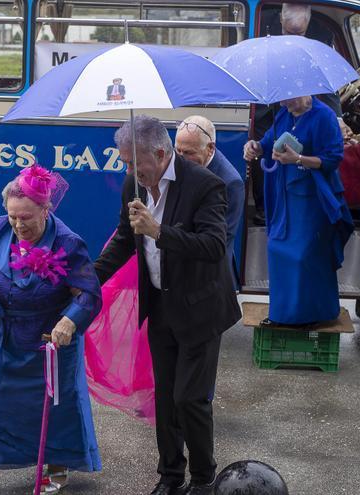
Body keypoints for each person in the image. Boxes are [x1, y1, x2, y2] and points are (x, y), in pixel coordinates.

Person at [95, 115, 241, 495]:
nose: (128, 170)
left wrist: (158, 231)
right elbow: (125, 240)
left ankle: (204, 476)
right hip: (160, 305)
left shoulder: (207, 185)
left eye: (133, 162)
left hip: (201, 307)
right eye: (124, 162)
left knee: (189, 398)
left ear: (161, 154)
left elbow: (214, 247)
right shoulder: (135, 184)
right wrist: (87, 280)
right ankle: (170, 476)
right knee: (165, 399)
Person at [0, 164, 101, 494]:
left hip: (49, 338)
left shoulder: (67, 242)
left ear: (46, 209)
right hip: (6, 334)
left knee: (54, 406)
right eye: (13, 216)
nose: (19, 225)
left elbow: (89, 294)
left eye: (27, 218)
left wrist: (69, 321)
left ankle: (55, 463)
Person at [243, 95, 352, 326]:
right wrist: (255, 147)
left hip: (312, 199)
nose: (284, 104)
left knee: (304, 255)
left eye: (288, 99)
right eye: (281, 100)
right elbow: (268, 142)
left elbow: (333, 159)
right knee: (276, 248)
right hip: (284, 196)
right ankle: (283, 316)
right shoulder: (284, 113)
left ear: (305, 92)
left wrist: (299, 158)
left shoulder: (324, 116)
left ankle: (314, 315)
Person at [249, 3, 352, 226]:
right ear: (280, 21)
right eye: (288, 32)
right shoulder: (261, 22)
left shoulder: (321, 33)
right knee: (265, 149)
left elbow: (325, 77)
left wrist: (338, 116)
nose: (293, 38)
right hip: (264, 102)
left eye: (300, 34)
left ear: (308, 23)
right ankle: (264, 208)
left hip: (299, 104)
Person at [175, 115, 245, 289]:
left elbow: (218, 241)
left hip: (210, 279)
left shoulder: (230, 183)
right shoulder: (179, 165)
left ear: (210, 148)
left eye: (189, 153)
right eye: (178, 151)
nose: (181, 159)